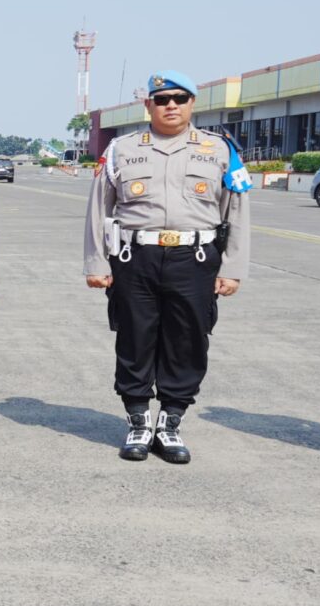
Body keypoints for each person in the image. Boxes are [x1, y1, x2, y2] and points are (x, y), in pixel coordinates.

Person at [82, 71, 249, 463]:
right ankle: (138, 422)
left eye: (179, 98)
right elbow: (98, 208)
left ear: (192, 103)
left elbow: (237, 210)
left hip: (195, 259)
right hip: (134, 258)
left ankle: (171, 423)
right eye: (161, 99)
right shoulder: (121, 149)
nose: (170, 105)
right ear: (148, 105)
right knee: (134, 338)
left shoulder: (220, 150)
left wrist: (233, 268)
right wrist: (96, 261)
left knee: (187, 341)